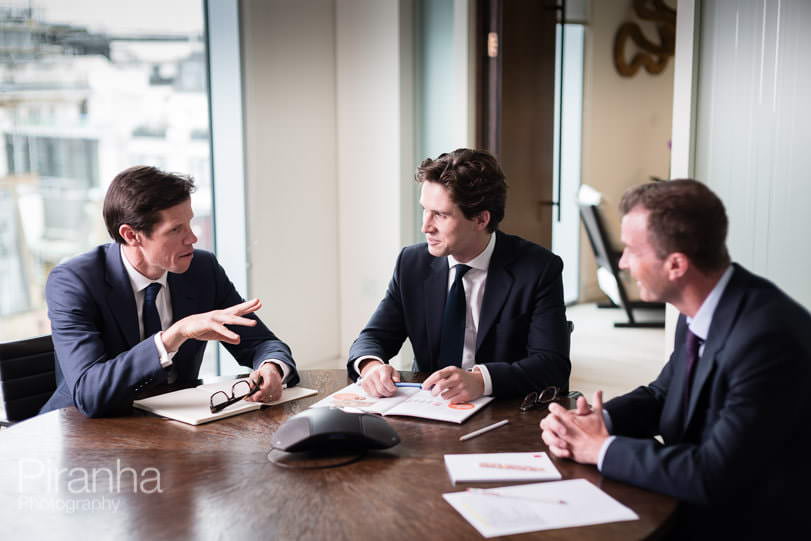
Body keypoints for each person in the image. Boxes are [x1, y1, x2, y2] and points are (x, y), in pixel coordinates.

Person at [540, 179, 811, 539]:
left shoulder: (767, 339)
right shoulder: (699, 305)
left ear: (676, 265)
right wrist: (594, 421)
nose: (622, 263)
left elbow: (713, 474)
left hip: (751, 521)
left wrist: (601, 448)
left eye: (632, 251)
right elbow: (662, 394)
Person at [40, 166, 298, 418]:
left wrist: (272, 367)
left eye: (189, 224)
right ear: (131, 235)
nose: (192, 238)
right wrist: (175, 335)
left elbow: (261, 342)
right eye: (176, 230)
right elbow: (90, 394)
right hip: (83, 433)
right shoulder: (74, 282)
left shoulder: (202, 269)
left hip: (175, 425)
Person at [347, 148, 570, 403]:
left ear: (481, 219)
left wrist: (480, 381)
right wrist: (371, 366)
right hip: (429, 407)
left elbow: (552, 365)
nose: (425, 226)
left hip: (503, 408)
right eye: (425, 210)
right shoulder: (412, 263)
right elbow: (373, 337)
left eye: (440, 215)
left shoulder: (539, 268)